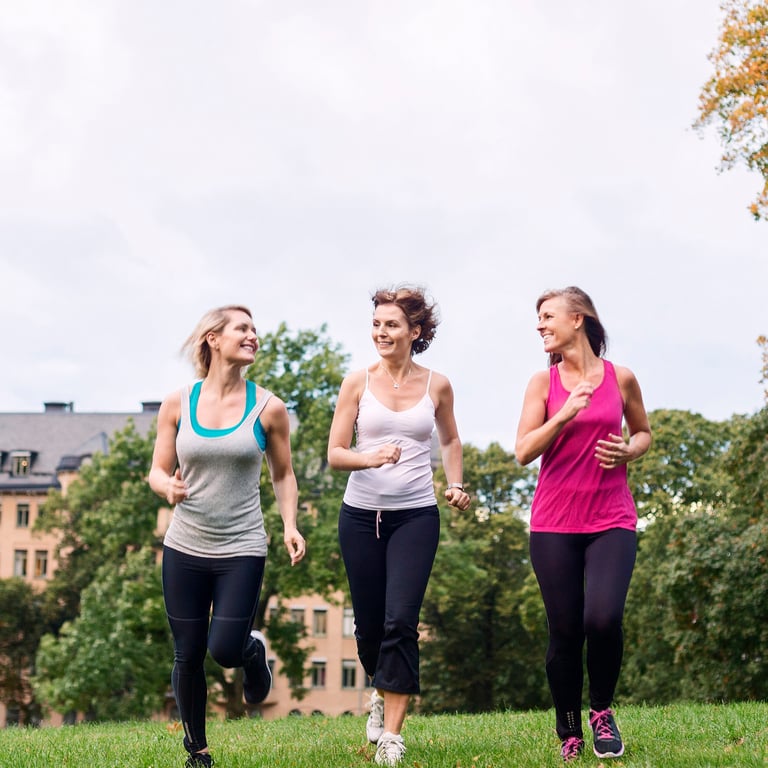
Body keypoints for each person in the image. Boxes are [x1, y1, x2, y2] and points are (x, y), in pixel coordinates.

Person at [148, 305, 306, 768]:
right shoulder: (178, 402)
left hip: (241, 547)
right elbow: (157, 470)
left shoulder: (268, 407)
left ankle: (252, 651)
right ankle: (197, 751)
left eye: (255, 329)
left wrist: (290, 525)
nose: (253, 335)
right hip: (185, 545)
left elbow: (284, 475)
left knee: (224, 650)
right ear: (214, 339)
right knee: (188, 653)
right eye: (243, 328)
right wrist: (166, 486)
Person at [327, 285, 471, 767]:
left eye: (391, 325)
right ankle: (379, 689)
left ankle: (392, 734)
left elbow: (450, 440)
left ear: (416, 331)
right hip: (359, 517)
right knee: (368, 627)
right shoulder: (356, 383)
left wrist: (455, 482)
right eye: (376, 324)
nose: (381, 332)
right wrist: (369, 458)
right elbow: (334, 454)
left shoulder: (438, 385)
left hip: (415, 517)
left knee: (400, 622)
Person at [515, 287, 651, 763]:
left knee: (604, 617)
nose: (539, 325)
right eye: (538, 318)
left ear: (579, 319)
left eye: (547, 316)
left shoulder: (622, 378)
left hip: (612, 517)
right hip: (554, 523)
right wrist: (566, 413)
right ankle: (569, 726)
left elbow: (643, 432)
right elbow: (523, 450)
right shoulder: (543, 383)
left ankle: (601, 712)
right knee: (567, 629)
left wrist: (631, 449)